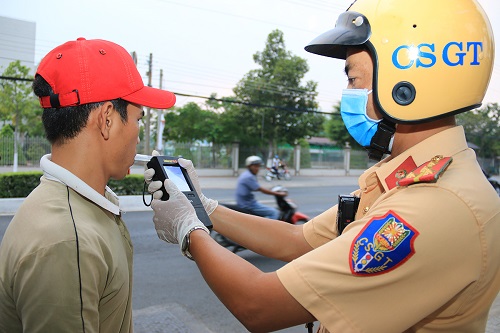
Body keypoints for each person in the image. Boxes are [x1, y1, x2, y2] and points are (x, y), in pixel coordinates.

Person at [144, 1, 500, 332]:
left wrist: (188, 230)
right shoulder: (403, 177)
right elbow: (297, 239)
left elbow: (258, 304)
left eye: (353, 79)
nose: (348, 93)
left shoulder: (437, 205)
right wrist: (205, 208)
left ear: (406, 85)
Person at [0, 38, 175, 332]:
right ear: (107, 119)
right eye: (137, 119)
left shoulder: (78, 205)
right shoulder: (67, 242)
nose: (137, 133)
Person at [236, 155, 285, 219]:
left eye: (258, 166)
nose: (257, 168)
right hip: (248, 205)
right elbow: (261, 189)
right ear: (249, 166)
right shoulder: (248, 176)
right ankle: (265, 228)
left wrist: (271, 189)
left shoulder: (247, 174)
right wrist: (279, 194)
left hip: (246, 202)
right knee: (274, 212)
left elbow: (256, 187)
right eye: (255, 166)